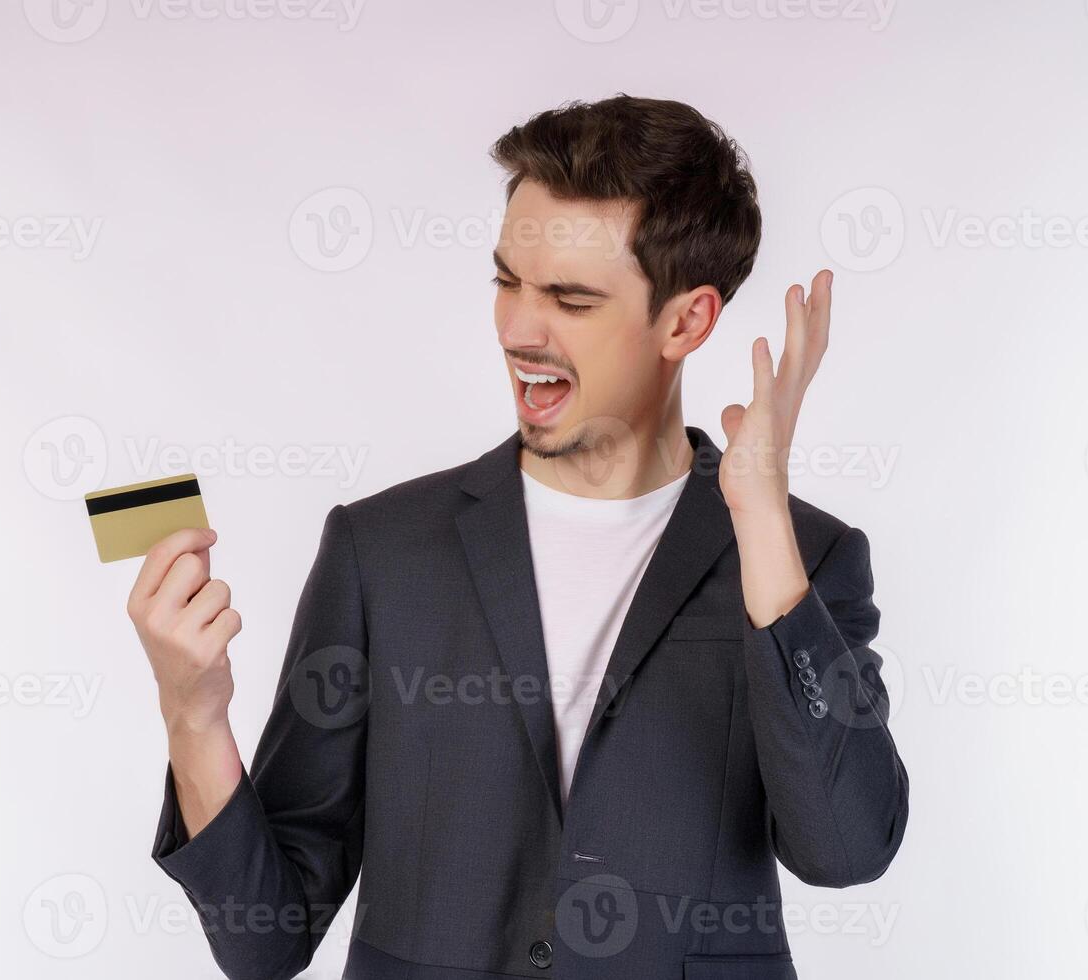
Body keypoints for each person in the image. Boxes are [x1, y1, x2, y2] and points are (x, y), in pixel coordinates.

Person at [127, 95, 909, 980]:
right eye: (508, 283)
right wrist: (191, 714)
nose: (517, 330)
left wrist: (762, 521)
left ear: (686, 322)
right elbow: (262, 940)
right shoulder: (381, 551)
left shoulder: (806, 560)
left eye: (570, 300)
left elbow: (845, 850)